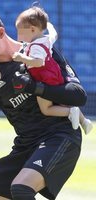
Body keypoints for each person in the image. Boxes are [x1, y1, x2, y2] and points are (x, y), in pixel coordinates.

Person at [0, 8, 87, 200]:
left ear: (1, 32)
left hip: (60, 136)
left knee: (21, 188)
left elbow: (79, 96)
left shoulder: (39, 53)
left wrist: (35, 87)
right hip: (26, 145)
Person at [12, 6, 93, 134]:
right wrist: (48, 25)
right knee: (62, 101)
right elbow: (54, 34)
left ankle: (71, 112)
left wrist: (22, 58)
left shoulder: (35, 47)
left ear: (32, 29)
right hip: (55, 75)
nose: (18, 37)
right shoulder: (46, 40)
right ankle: (84, 122)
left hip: (44, 79)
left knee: (47, 109)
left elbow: (39, 62)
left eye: (20, 32)